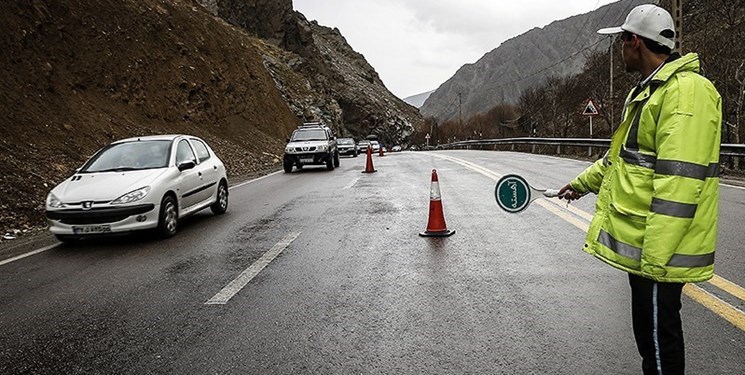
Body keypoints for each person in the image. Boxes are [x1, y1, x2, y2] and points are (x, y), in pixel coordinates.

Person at [558, 4, 722, 375]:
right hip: (651, 247)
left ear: (635, 41)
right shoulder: (653, 91)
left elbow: (680, 183)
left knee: (659, 343)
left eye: (621, 41)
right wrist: (581, 185)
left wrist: (653, 261)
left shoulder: (684, 94)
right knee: (651, 340)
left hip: (660, 250)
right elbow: (624, 160)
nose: (619, 50)